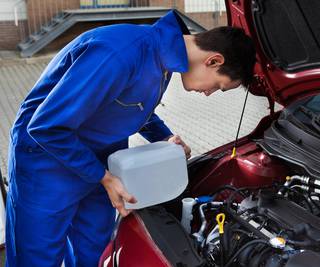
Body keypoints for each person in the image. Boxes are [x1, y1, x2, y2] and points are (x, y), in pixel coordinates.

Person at [5, 10, 256, 266]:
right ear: (213, 61)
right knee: (37, 257)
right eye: (219, 86)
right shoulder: (119, 54)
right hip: (47, 161)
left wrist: (165, 136)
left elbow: (129, 104)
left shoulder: (164, 59)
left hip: (100, 162)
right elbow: (47, 127)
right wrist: (103, 177)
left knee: (93, 251)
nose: (210, 93)